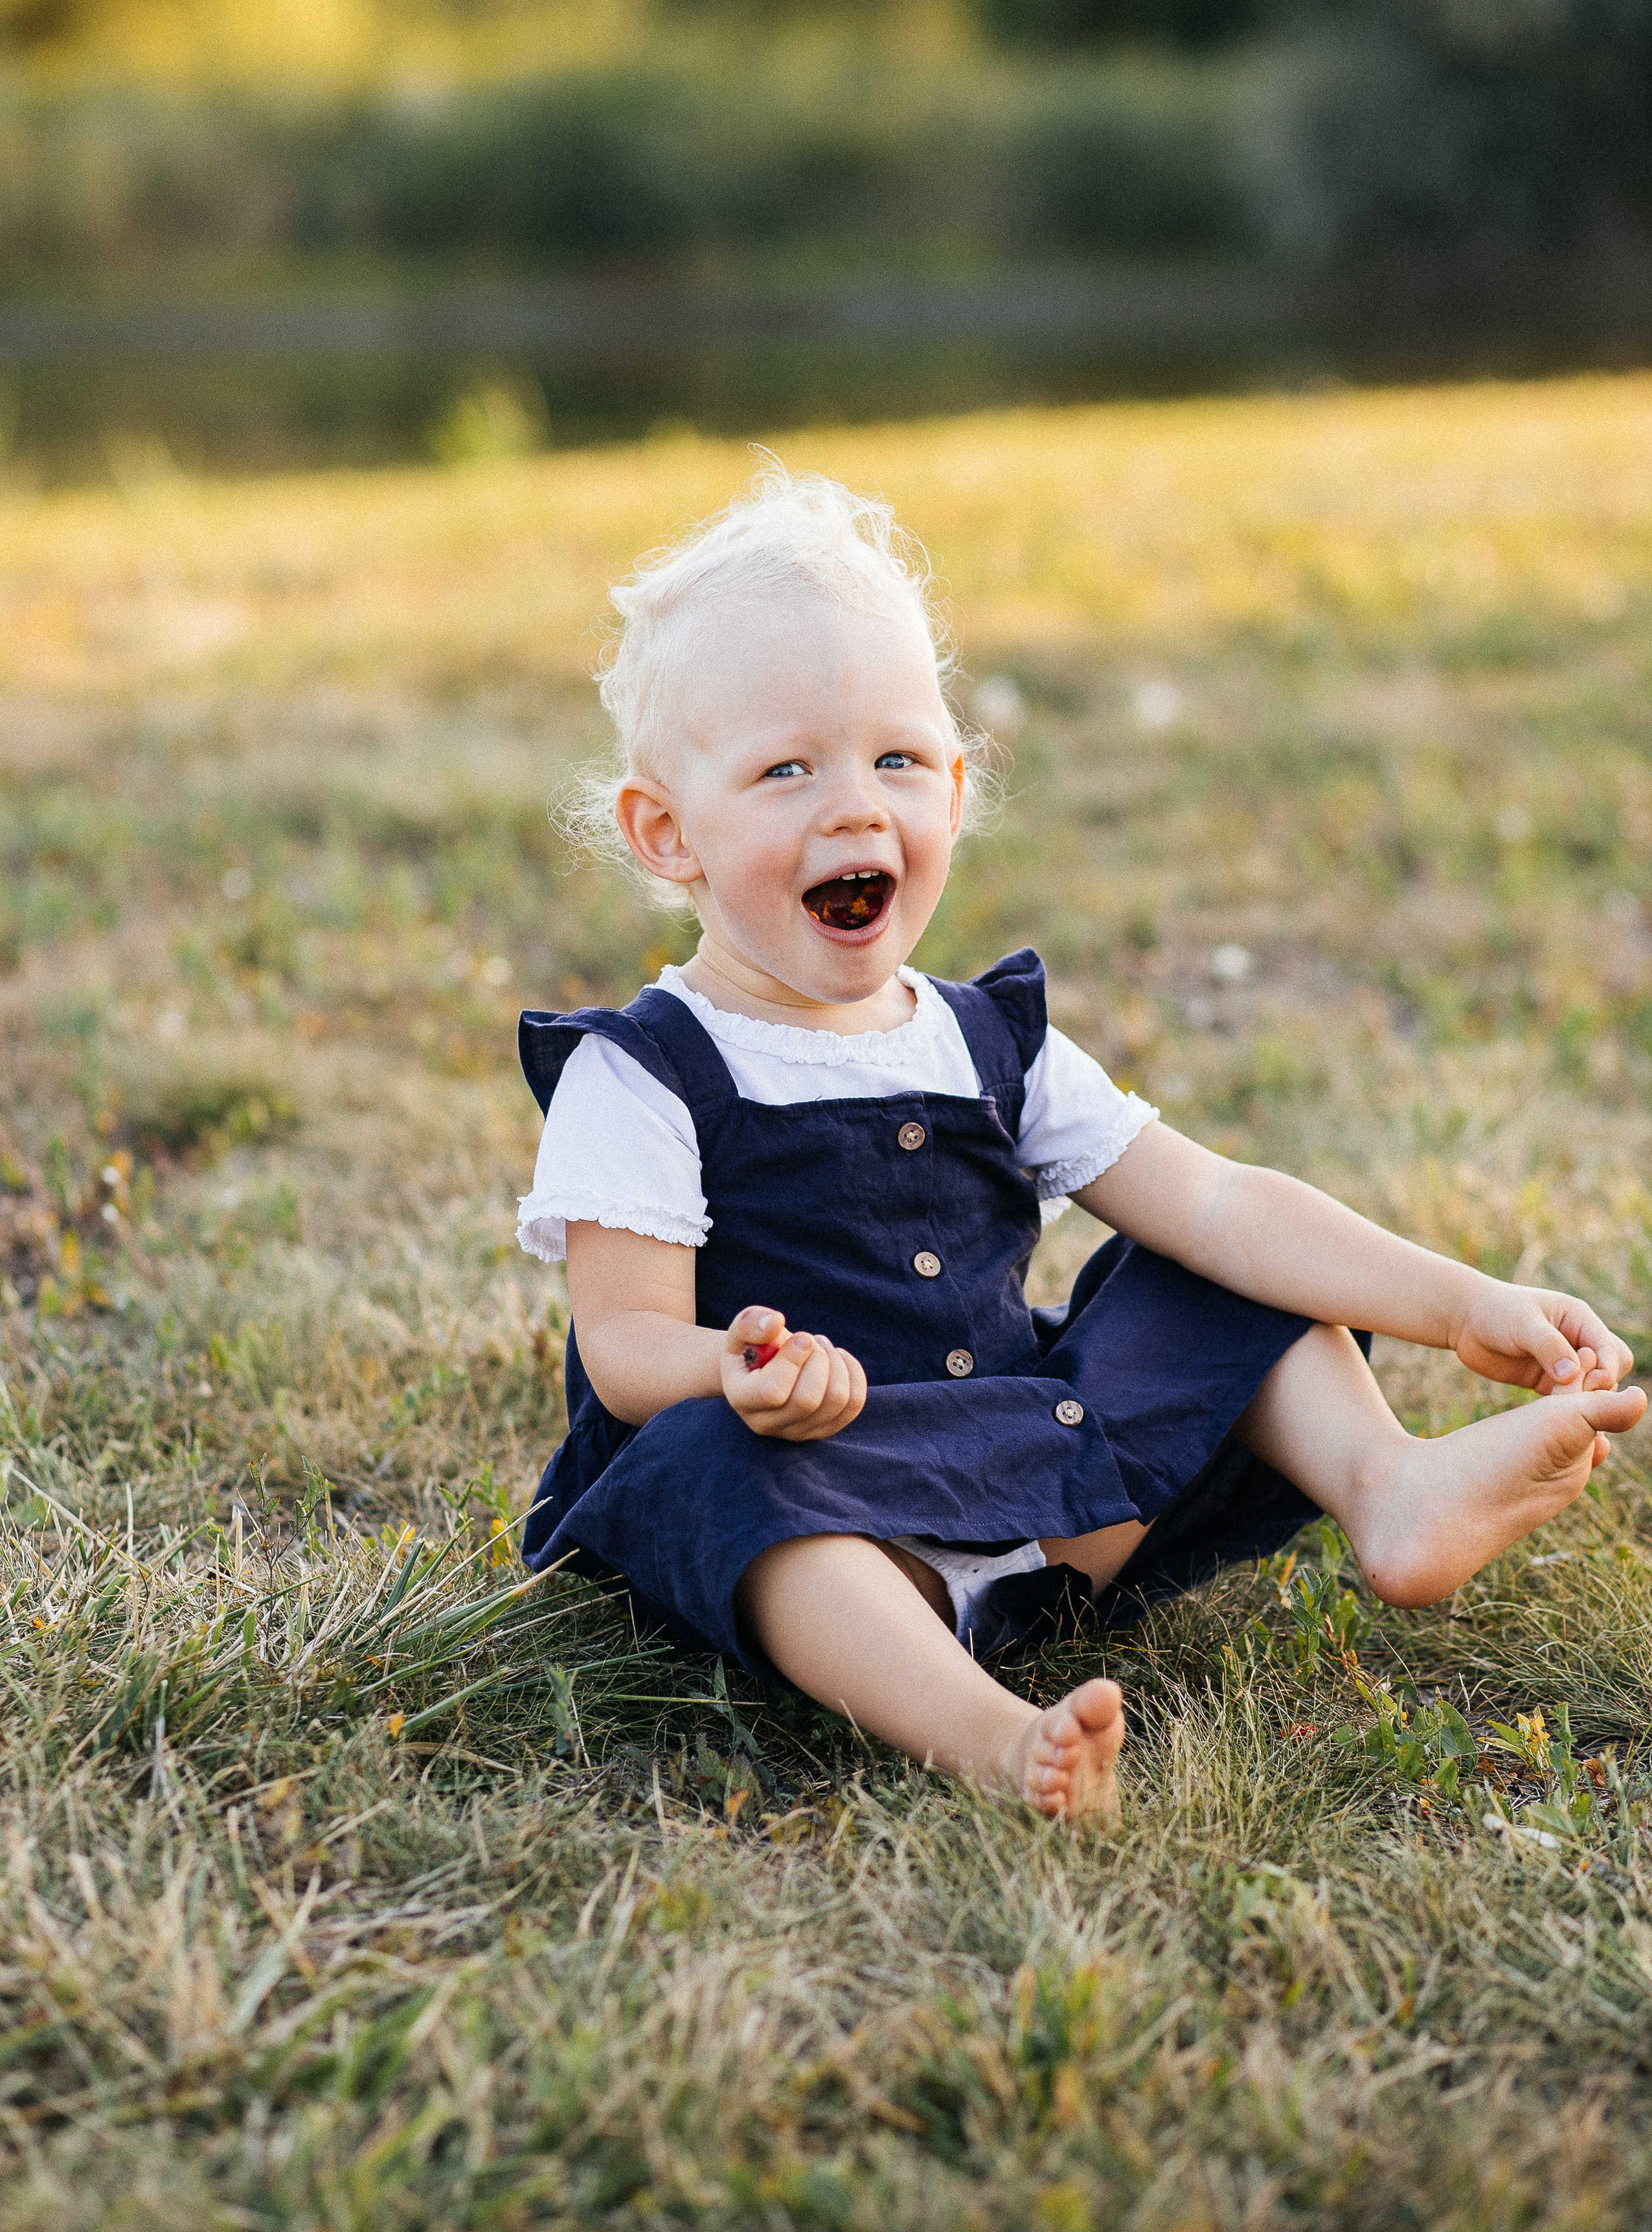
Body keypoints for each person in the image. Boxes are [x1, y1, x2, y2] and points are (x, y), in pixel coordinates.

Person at [514, 467, 1643, 1824]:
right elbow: (623, 1348)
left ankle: (1389, 1488)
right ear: (666, 831)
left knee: (1213, 1269)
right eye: (783, 770)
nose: (855, 808)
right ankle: (996, 1736)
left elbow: (1217, 1204)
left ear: (955, 781)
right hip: (831, 1509)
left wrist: (1459, 1301)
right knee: (703, 1466)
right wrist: (735, 1375)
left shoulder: (990, 1039)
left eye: (895, 759)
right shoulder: (643, 1072)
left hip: (1043, 1489)